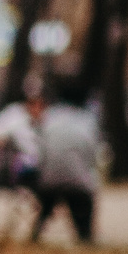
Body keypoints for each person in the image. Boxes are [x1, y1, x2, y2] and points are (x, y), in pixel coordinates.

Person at [33, 77, 101, 244]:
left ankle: (36, 231)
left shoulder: (48, 117)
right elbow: (92, 154)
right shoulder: (87, 120)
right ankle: (85, 235)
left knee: (48, 200)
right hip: (79, 181)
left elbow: (39, 150)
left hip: (47, 181)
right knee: (83, 196)